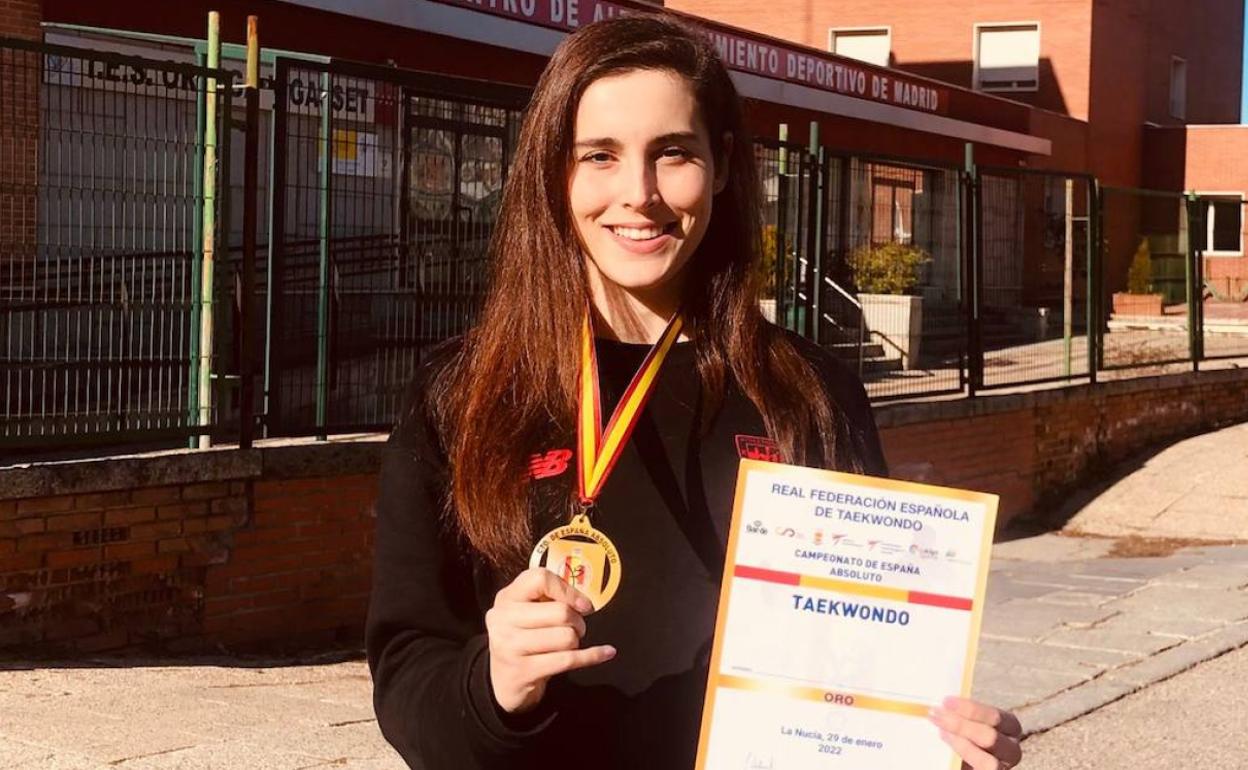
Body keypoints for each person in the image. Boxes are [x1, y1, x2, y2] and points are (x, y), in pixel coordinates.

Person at [366, 15, 1023, 770]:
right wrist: (491, 683)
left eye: (672, 153)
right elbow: (408, 678)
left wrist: (938, 743)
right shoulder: (461, 394)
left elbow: (864, 661)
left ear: (721, 165)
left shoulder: (810, 391)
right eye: (600, 157)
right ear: (556, 173)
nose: (638, 194)